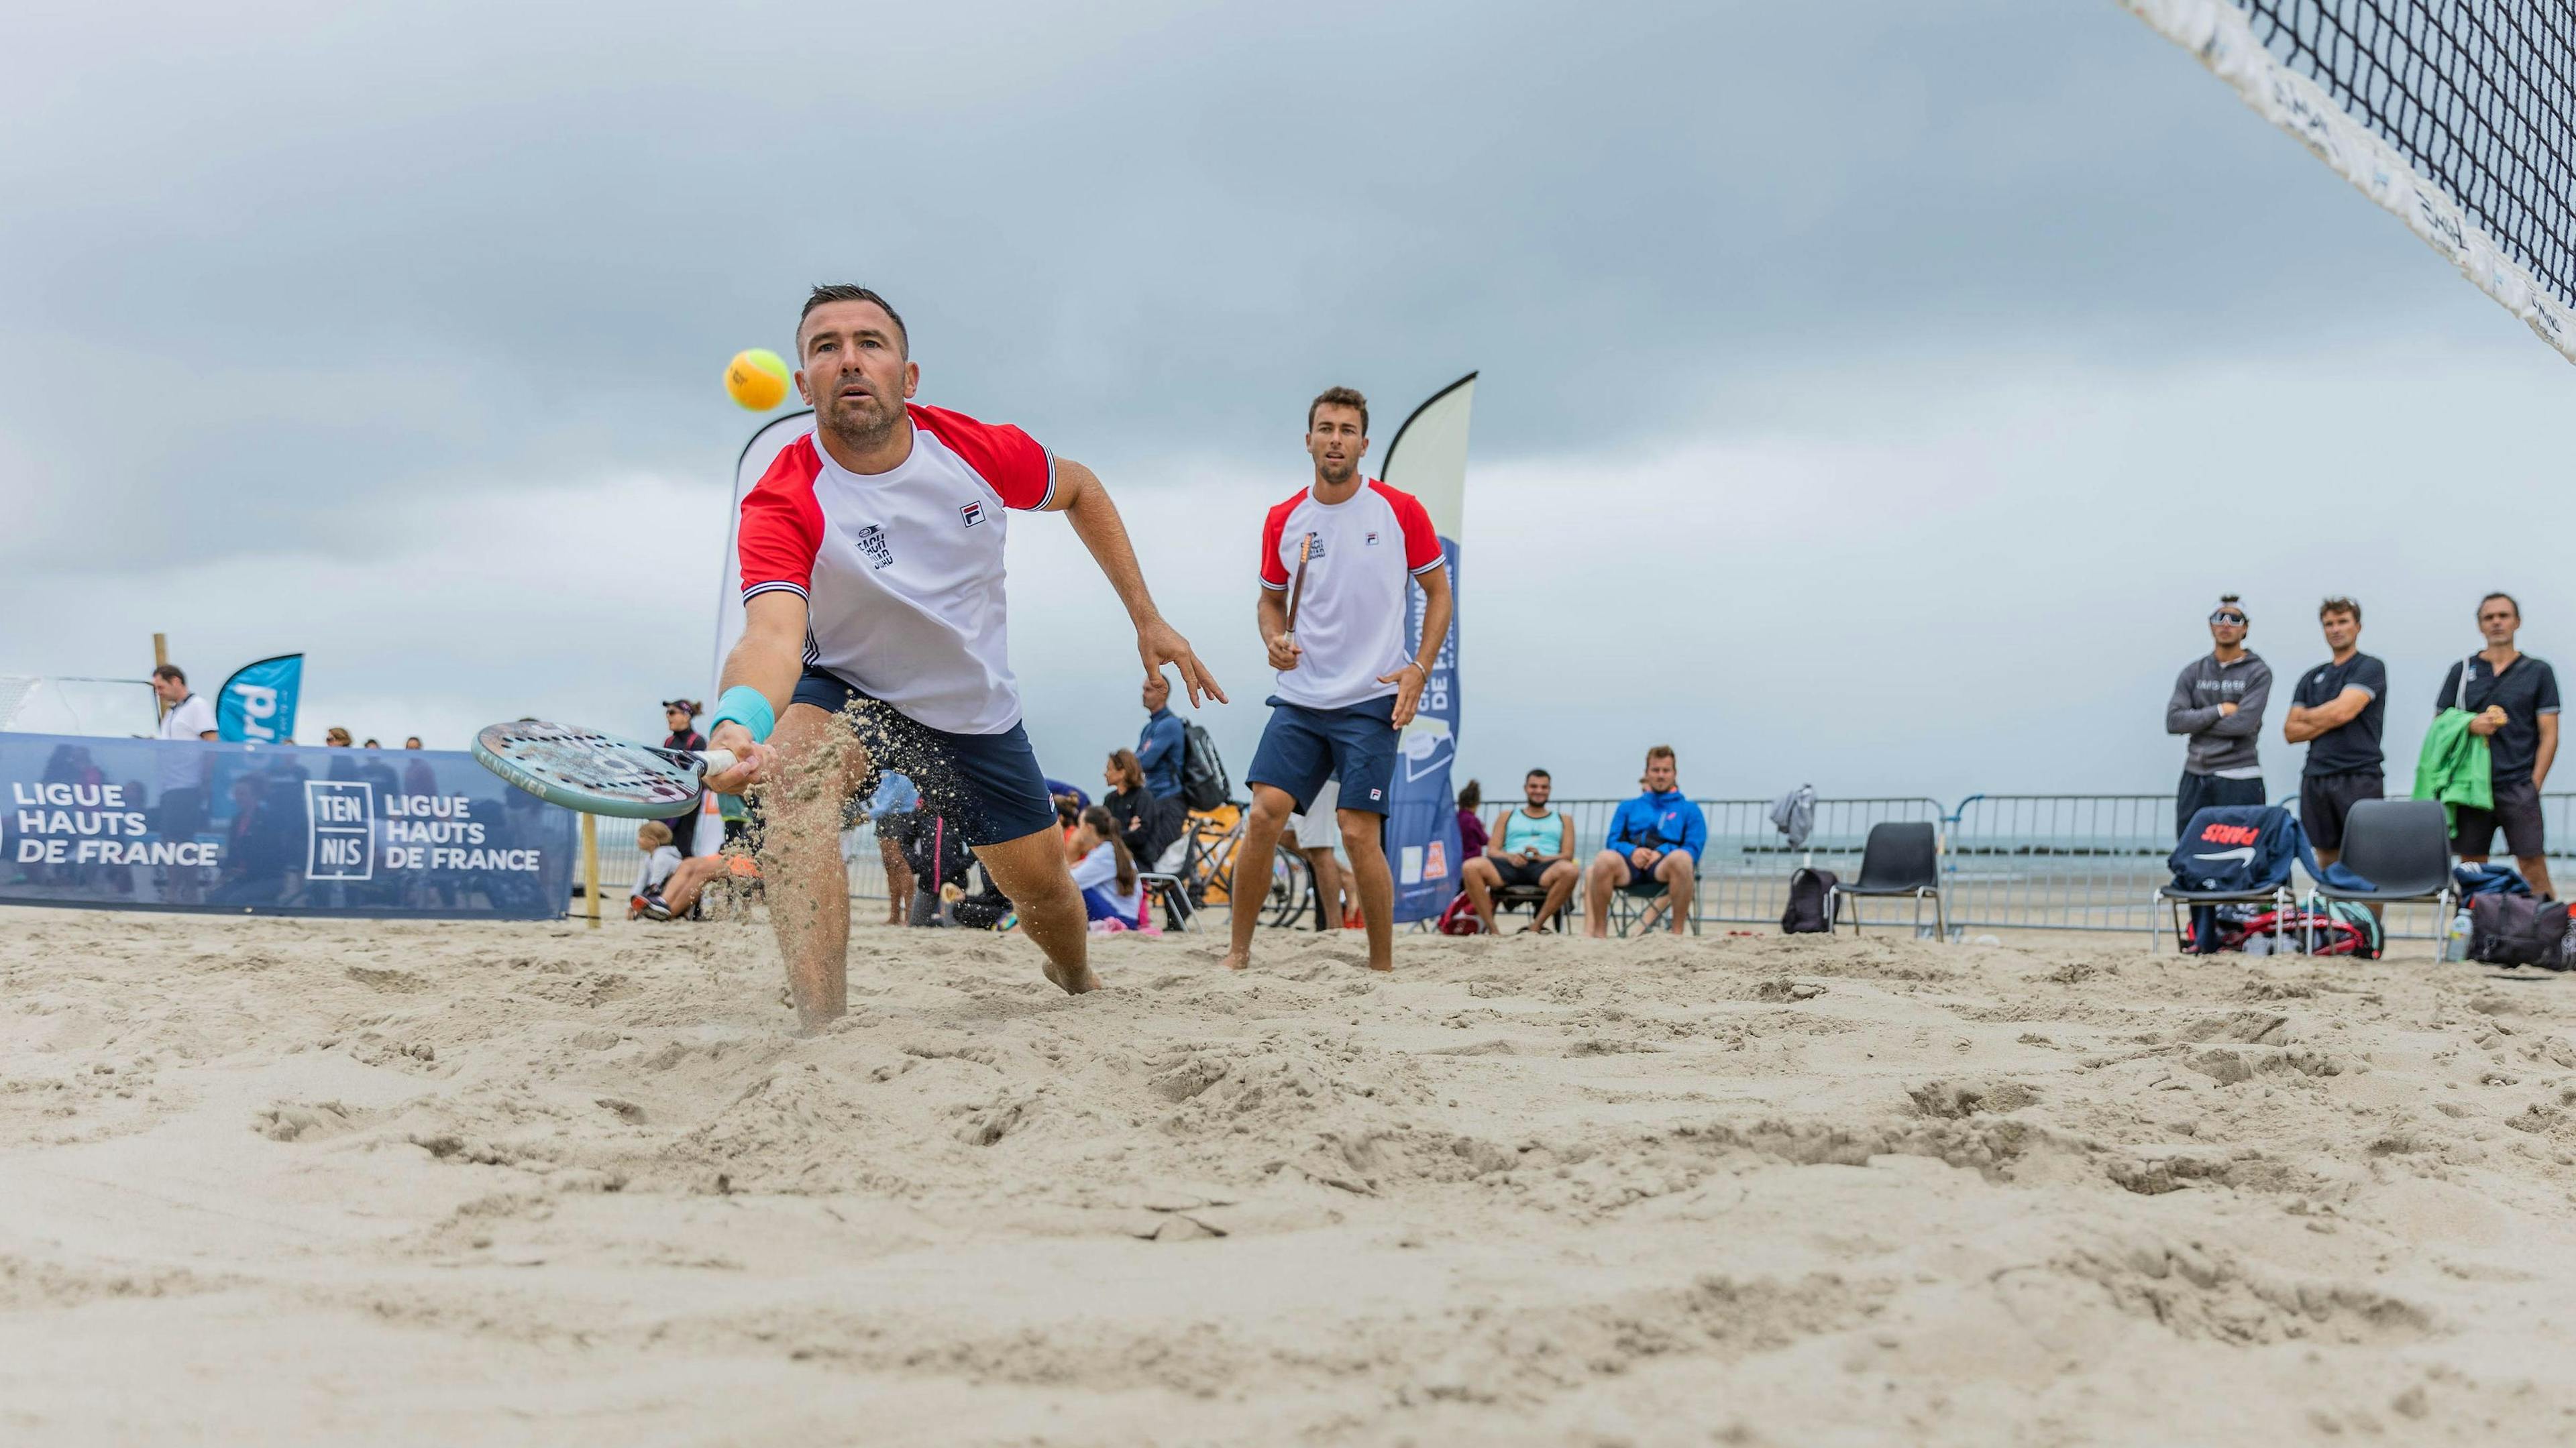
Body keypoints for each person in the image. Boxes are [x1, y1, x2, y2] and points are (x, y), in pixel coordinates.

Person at [699, 284, 1222, 1027]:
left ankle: (1076, 975)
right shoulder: (785, 493)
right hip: (850, 689)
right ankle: (822, 1030)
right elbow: (773, 637)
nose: (849, 360)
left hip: (971, 711)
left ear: (907, 379)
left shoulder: (972, 450)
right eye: (826, 347)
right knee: (790, 791)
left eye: (870, 343)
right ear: (803, 382)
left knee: (1045, 896)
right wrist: (736, 723)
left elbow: (1081, 487)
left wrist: (1147, 616)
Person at [1220, 387, 1453, 974]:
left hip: (1372, 696)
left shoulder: (1399, 510)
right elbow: (1269, 603)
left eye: (1347, 430)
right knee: (1265, 813)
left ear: (1364, 443)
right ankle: (1237, 954)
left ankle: (1381, 968)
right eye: (1326, 428)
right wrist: (1273, 639)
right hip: (1302, 697)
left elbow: (1439, 592)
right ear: (1308, 440)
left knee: (1355, 831)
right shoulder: (1285, 518)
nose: (1335, 439)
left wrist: (1419, 669)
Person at [2438, 592, 2560, 899]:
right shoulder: (2462, 671)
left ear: (2516, 622)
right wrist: (2470, 723)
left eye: (2503, 616)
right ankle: (2473, 936)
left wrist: (2534, 784)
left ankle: (2553, 937)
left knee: (2533, 865)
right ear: (2480, 625)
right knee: (2472, 868)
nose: (2497, 622)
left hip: (2518, 784)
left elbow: (2550, 734)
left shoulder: (2538, 671)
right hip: (2471, 786)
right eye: (2489, 617)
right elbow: (2441, 725)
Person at [2281, 596, 2386, 869]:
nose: (2336, 629)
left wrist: (2309, 715)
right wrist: (2333, 713)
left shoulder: (2370, 667)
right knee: (2326, 857)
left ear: (2357, 627)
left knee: (2367, 859)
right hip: (2316, 776)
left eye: (2342, 622)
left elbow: (2344, 712)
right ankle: (2331, 914)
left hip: (2360, 775)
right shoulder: (2311, 676)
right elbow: (2291, 731)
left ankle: (2367, 915)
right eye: (2329, 624)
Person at [2163, 594, 2271, 840]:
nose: (2226, 623)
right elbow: (2174, 721)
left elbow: (2244, 724)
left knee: (2240, 855)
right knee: (2190, 850)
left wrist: (2196, 723)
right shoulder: (2193, 671)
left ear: (2245, 627)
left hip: (2240, 776)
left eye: (2234, 619)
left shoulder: (2258, 671)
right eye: (2219, 617)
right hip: (2195, 776)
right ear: (2210, 624)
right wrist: (2220, 710)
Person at [1584, 746, 1708, 937]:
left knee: (1683, 859)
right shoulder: (1628, 807)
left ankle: (1677, 934)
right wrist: (1632, 852)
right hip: (1629, 867)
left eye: (1666, 771)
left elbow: (1693, 849)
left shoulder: (1690, 810)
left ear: (1674, 773)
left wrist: (1663, 851)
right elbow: (1612, 842)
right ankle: (1600, 934)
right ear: (1646, 772)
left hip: (1663, 868)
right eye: (1655, 770)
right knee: (1604, 858)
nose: (1660, 775)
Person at [1461, 768, 1578, 932]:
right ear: (1526, 788)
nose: (1539, 791)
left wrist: (1542, 858)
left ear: (1549, 790)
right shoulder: (1507, 816)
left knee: (1571, 870)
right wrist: (1510, 857)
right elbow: (1493, 850)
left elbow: (1567, 854)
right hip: (1509, 865)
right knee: (1470, 867)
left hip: (1545, 867)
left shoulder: (1564, 819)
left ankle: (1536, 927)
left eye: (1544, 787)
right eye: (1534, 786)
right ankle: (1493, 929)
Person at [1103, 748, 1181, 872]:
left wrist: (1113, 836)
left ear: (1122, 772)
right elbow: (1102, 832)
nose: (1105, 773)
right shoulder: (1109, 799)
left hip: (1138, 862)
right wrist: (1126, 832)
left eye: (1109, 769)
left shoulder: (1143, 797)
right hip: (1112, 858)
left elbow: (1140, 836)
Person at [632, 819, 725, 920]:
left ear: (653, 841)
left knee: (653, 894)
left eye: (641, 836)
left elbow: (656, 884)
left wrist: (640, 903)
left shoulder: (661, 857)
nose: (638, 839)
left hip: (683, 891)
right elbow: (641, 882)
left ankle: (672, 910)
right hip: (672, 889)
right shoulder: (650, 858)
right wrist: (633, 900)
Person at [1070, 805, 1147, 928]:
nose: (1077, 831)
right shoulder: (1109, 850)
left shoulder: (1104, 854)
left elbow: (1073, 881)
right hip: (1127, 917)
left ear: (1089, 828)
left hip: (1121, 919)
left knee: (1072, 889)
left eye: (1080, 825)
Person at [865, 771, 921, 926]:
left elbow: (892, 798)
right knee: (889, 865)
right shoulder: (886, 771)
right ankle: (895, 915)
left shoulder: (900, 772)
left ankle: (910, 915)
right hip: (886, 817)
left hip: (901, 816)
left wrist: (868, 815)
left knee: (900, 864)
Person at [660, 700, 708, 854]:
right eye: (667, 712)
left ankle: (686, 875)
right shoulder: (669, 741)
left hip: (688, 800)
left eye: (672, 712)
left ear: (686, 716)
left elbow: (700, 773)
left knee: (683, 845)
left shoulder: (697, 741)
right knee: (663, 843)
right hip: (669, 798)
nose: (668, 716)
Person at [1138, 675, 1187, 801]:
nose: (1144, 694)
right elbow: (1136, 761)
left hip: (1169, 797)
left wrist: (1125, 764)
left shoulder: (1170, 725)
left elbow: (1145, 761)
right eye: (1144, 690)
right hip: (1153, 796)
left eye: (1149, 690)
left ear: (1163, 694)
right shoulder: (1148, 728)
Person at [150, 665, 217, 742]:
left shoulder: (197, 705)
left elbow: (212, 743)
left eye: (161, 688)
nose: (158, 693)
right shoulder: (170, 713)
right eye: (156, 689)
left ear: (175, 682)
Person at [1454, 779, 1488, 860]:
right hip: (1472, 859)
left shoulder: (1454, 819)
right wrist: (1483, 830)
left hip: (1456, 859)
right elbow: (1484, 840)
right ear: (1476, 803)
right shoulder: (1473, 820)